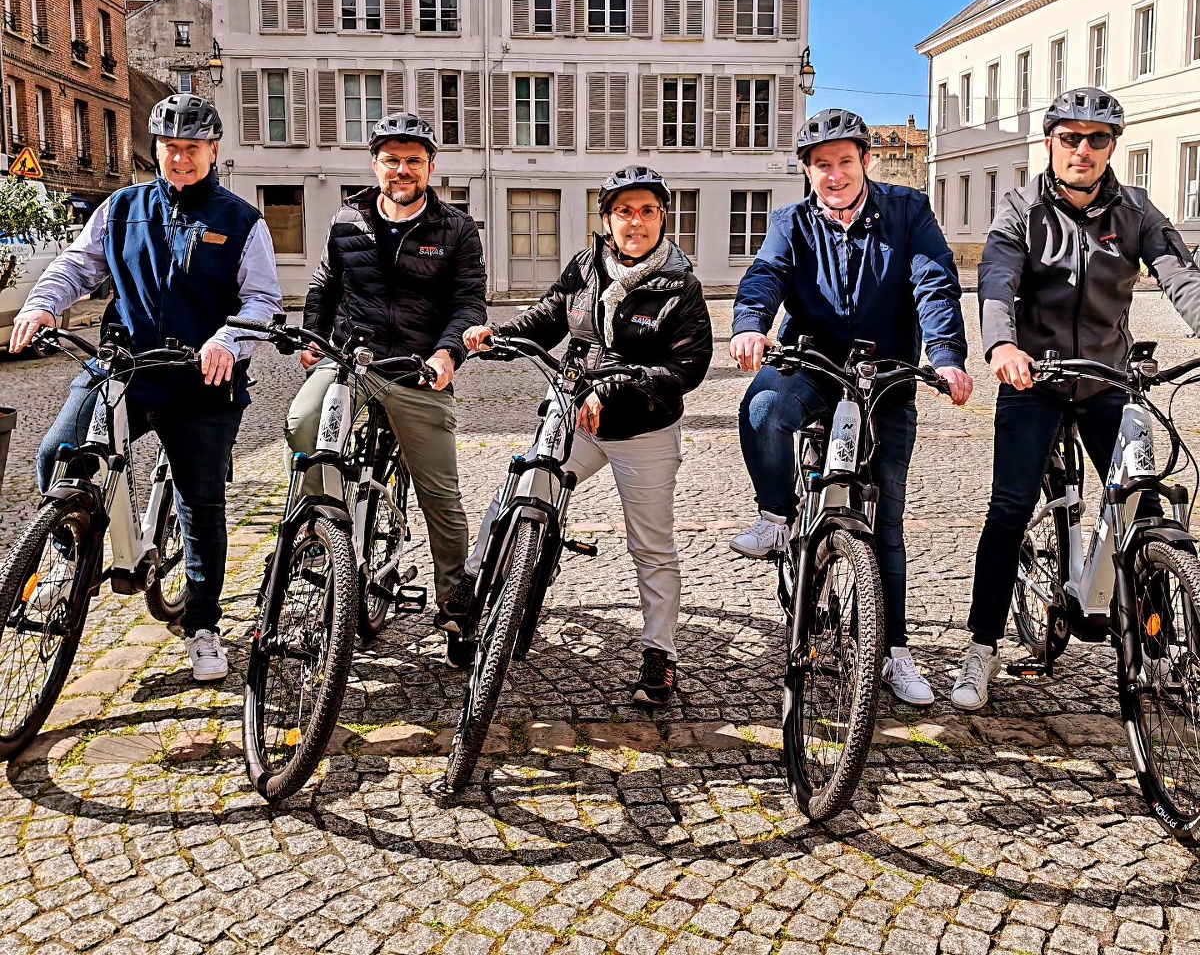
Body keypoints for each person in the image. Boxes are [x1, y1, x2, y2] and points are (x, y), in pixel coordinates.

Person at [10, 94, 283, 681]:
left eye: (192, 148)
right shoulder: (122, 207)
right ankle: (62, 561)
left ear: (214, 151)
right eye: (170, 147)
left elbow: (262, 302)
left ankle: (204, 622)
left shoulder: (241, 222)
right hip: (123, 367)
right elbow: (76, 266)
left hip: (201, 380)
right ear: (156, 149)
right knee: (57, 453)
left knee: (199, 500)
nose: (180, 158)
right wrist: (41, 307)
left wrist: (227, 342)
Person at [952, 87, 1200, 710]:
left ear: (1113, 147)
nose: (1082, 150)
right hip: (1032, 380)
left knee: (1144, 496)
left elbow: (1180, 273)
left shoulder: (1136, 211)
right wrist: (1002, 346)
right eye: (1070, 138)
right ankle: (980, 650)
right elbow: (997, 280)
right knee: (1009, 510)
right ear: (1050, 144)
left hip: (1106, 380)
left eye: (1096, 139)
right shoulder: (1020, 208)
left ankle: (1160, 636)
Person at [729, 107, 973, 708]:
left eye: (844, 162)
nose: (833, 175)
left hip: (887, 374)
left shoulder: (909, 212)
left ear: (867, 161)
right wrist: (751, 326)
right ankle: (777, 518)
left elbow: (935, 281)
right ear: (807, 172)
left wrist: (944, 355)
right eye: (820, 166)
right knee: (763, 410)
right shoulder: (792, 221)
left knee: (885, 521)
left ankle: (895, 652)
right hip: (812, 361)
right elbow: (766, 274)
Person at [459, 166, 713, 707]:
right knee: (522, 486)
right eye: (624, 211)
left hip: (642, 426)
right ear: (607, 219)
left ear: (663, 218)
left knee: (651, 544)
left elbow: (689, 364)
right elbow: (547, 319)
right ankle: (474, 593)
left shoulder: (681, 286)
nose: (636, 222)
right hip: (575, 412)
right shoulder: (585, 267)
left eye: (648, 210)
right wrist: (496, 335)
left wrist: (616, 388)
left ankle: (659, 655)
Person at [285, 112, 486, 667]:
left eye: (413, 161)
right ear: (375, 164)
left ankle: (454, 606)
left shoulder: (457, 229)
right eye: (392, 160)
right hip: (351, 360)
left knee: (440, 495)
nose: (402, 170)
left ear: (431, 168)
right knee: (303, 422)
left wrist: (449, 353)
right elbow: (327, 285)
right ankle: (320, 530)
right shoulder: (348, 219)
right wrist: (314, 337)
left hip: (418, 368)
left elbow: (468, 302)